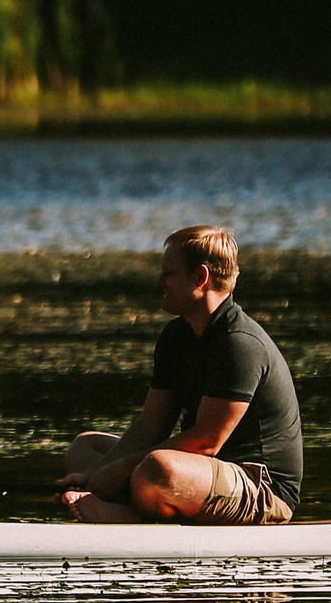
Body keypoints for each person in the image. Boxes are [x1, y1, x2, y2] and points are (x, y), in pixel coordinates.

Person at [57, 225, 301, 525]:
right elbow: (151, 424)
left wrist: (116, 473)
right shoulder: (175, 336)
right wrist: (94, 476)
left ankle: (130, 517)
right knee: (86, 447)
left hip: (261, 488)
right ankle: (126, 505)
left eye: (168, 273)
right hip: (204, 471)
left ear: (200, 277)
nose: (159, 282)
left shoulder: (239, 344)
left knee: (158, 469)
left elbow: (205, 442)